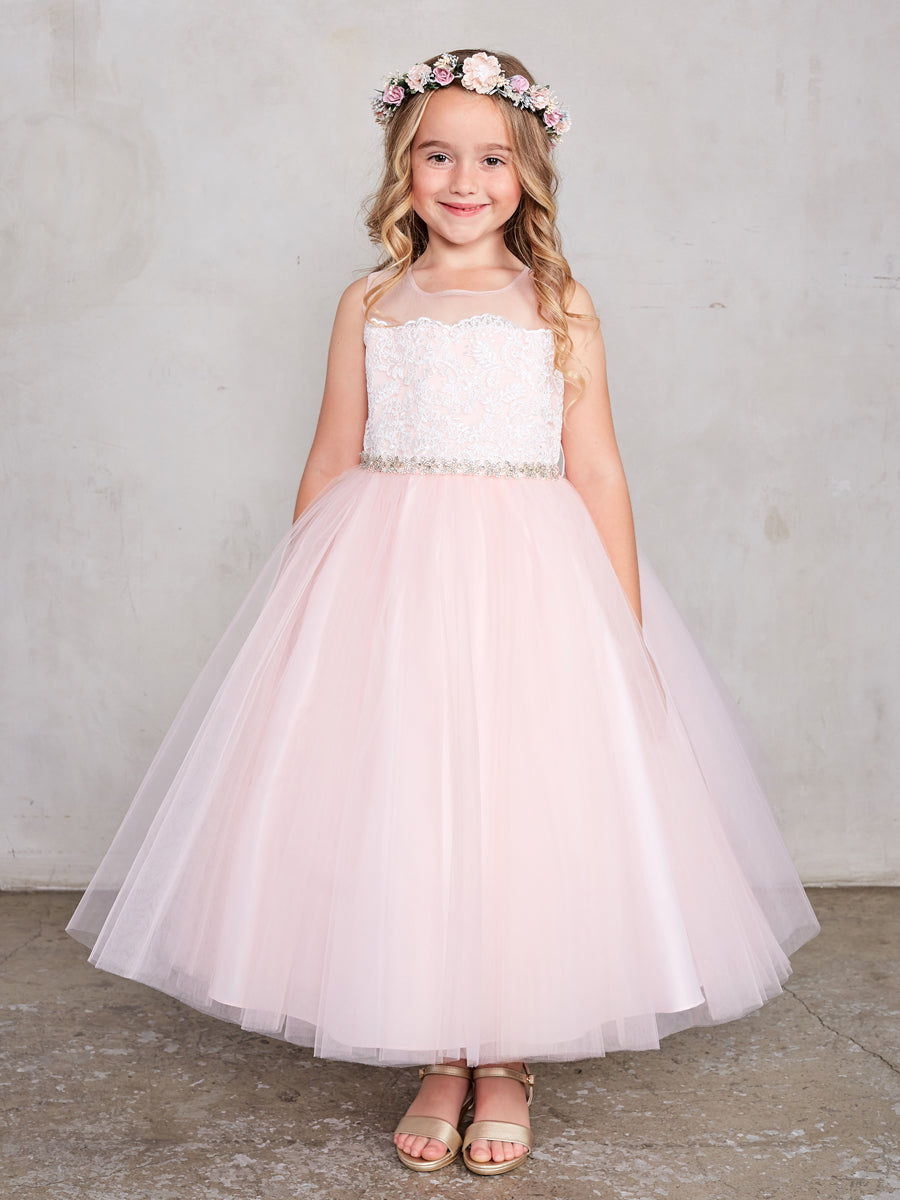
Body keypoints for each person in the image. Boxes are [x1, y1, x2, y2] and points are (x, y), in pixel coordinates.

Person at [67, 48, 819, 1178]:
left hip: (532, 589)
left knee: (518, 804)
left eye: (492, 159)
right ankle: (438, 1048)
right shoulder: (370, 301)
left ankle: (505, 1055)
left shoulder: (560, 303)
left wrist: (624, 630)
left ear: (530, 171)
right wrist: (298, 612)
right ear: (402, 166)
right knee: (408, 799)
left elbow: (598, 470)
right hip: (391, 583)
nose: (464, 180)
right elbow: (332, 456)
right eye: (438, 155)